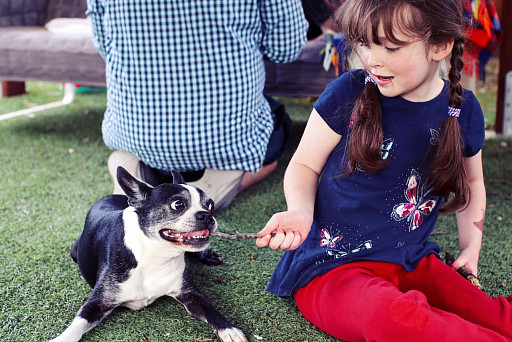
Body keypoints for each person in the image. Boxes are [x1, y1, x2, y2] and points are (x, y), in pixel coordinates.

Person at [256, 0, 512, 340]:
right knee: (394, 318)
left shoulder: (461, 110)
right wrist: (300, 212)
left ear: (439, 46)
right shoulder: (347, 91)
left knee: (492, 314)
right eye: (363, 43)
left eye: (391, 46)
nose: (372, 59)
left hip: (413, 260)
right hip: (332, 268)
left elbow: (473, 183)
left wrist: (470, 248)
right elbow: (303, 164)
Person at [86, 0, 308, 210]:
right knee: (279, 121)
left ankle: (140, 169)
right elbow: (285, 49)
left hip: (135, 135)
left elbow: (104, 45)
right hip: (226, 139)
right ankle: (223, 183)